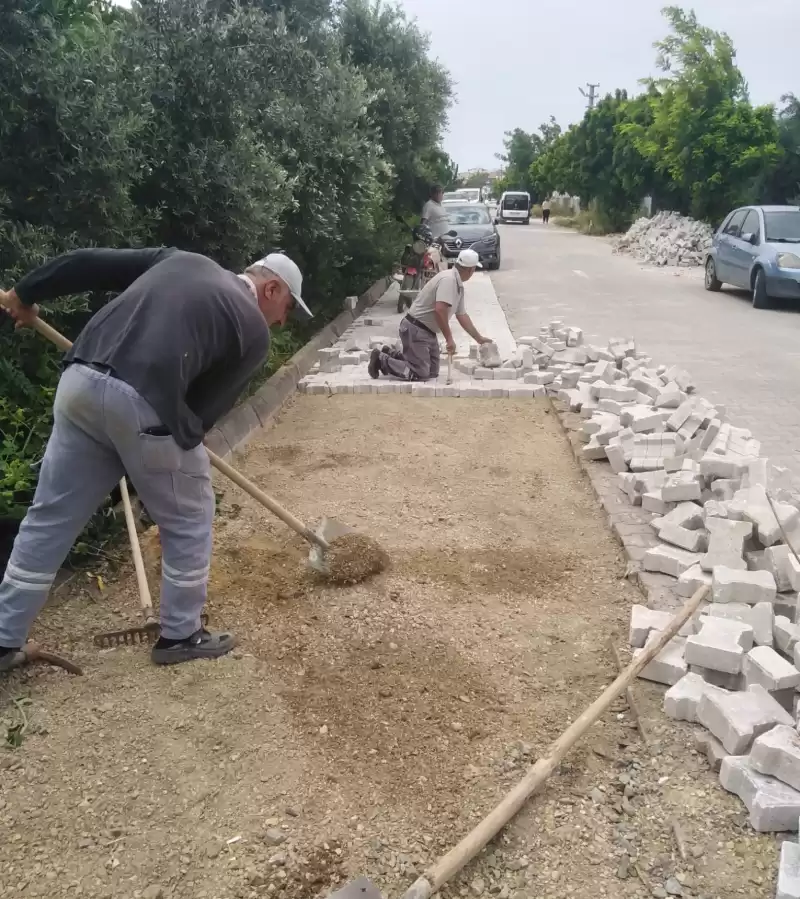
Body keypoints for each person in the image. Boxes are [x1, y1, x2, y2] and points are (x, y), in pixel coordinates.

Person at [0, 247, 311, 671]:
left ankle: (4, 637)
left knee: (50, 517)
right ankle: (181, 634)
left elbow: (88, 262)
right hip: (144, 399)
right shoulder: (254, 330)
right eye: (287, 308)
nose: (281, 321)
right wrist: (158, 468)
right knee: (191, 514)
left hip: (80, 382)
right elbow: (197, 419)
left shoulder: (179, 260)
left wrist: (25, 292)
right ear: (270, 288)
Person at [368, 249, 491, 382]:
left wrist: (479, 339)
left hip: (427, 332)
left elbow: (462, 315)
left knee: (432, 372)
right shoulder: (448, 280)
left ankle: (390, 354)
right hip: (415, 328)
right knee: (420, 373)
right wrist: (449, 338)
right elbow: (440, 310)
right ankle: (381, 359)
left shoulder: (458, 285)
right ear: (470, 270)